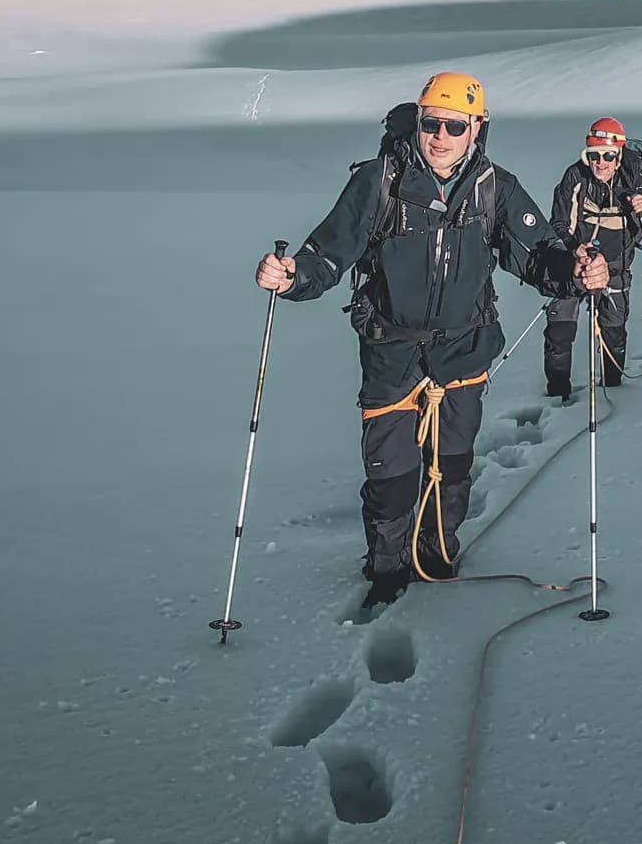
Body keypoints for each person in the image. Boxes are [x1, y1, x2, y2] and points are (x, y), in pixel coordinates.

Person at [255, 72, 609, 610]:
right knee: (391, 472)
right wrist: (292, 274)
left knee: (452, 462)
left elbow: (538, 255)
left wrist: (577, 271)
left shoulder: (495, 188)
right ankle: (388, 568)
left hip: (463, 351)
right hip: (390, 352)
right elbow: (328, 253)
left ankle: (439, 553)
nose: (440, 135)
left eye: (454, 125)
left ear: (477, 129)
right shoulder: (378, 182)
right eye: (430, 123)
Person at [542, 118, 642, 403]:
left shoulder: (635, 180)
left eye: (608, 156)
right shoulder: (574, 177)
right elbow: (559, 224)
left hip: (615, 269)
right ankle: (557, 393)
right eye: (593, 155)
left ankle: (614, 386)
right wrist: (575, 251)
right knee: (559, 329)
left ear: (619, 154)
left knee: (613, 331)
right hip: (577, 265)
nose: (600, 162)